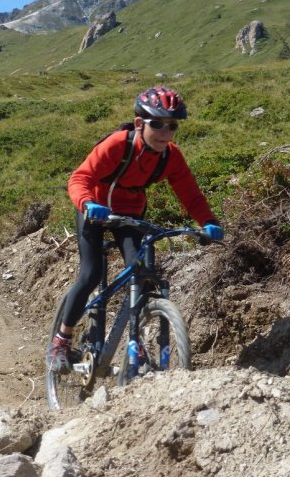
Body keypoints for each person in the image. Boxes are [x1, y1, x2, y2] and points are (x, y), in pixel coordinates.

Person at [47, 85, 224, 373]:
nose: (165, 132)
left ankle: (136, 342)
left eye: (172, 125)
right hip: (94, 208)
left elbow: (190, 195)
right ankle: (61, 341)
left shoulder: (170, 156)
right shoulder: (118, 145)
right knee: (91, 274)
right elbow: (80, 177)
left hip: (130, 212)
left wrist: (209, 222)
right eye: (158, 124)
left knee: (139, 271)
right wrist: (88, 203)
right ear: (140, 123)